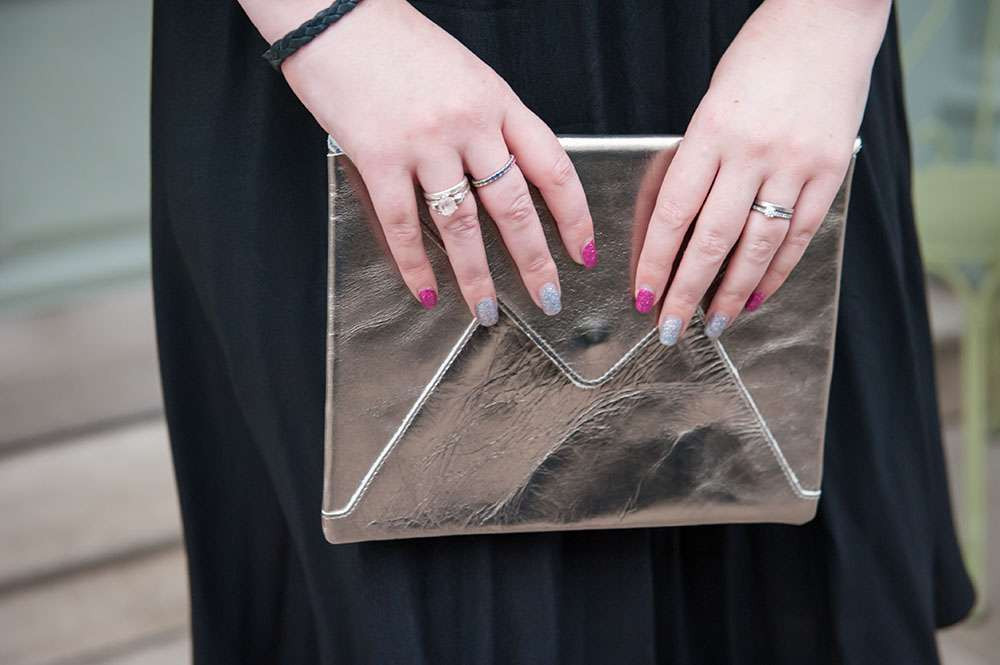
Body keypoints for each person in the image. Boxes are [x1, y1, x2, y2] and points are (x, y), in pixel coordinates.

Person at [150, 0, 974, 662]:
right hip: (362, 70)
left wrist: (829, 21)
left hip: (773, 74)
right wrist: (326, 23)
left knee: (785, 598)